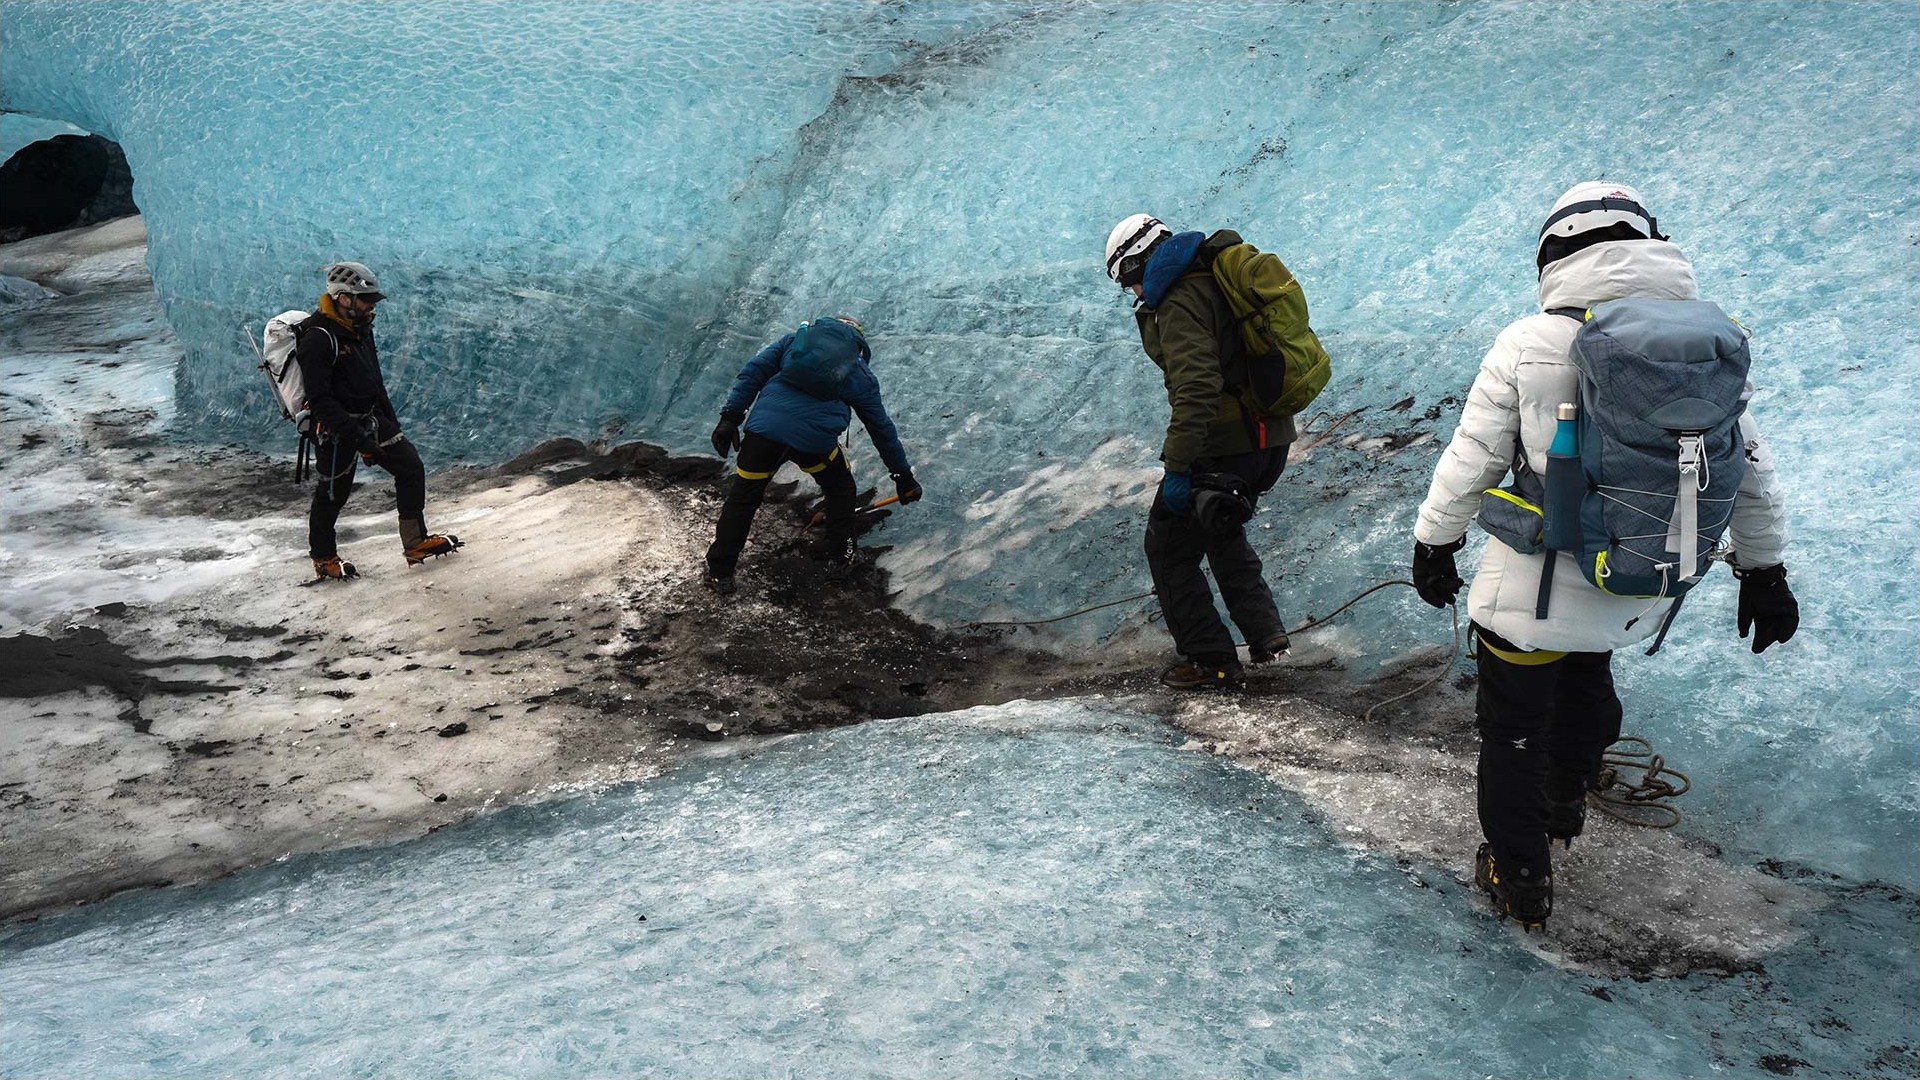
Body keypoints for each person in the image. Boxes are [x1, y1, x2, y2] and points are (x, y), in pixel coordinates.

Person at [1410, 182, 1799, 928]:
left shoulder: (1528, 342)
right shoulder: (1709, 344)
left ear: (1555, 254)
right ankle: (1564, 801)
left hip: (1537, 589)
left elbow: (1473, 459)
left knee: (1513, 725)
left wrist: (1436, 541)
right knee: (1589, 674)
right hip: (1639, 579)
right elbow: (1747, 466)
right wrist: (1765, 572)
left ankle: (1520, 873)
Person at [1103, 214, 1294, 691]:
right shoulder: (1212, 279)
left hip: (1225, 444)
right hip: (1268, 436)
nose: (1136, 294)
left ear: (1142, 261)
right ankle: (1267, 636)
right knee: (1220, 528)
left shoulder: (1179, 299)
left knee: (1168, 549)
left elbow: (1197, 387)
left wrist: (1178, 466)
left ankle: (1211, 660)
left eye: (1132, 282)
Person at [704, 314, 920, 593]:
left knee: (743, 498)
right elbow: (881, 428)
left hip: (763, 434)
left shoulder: (795, 341)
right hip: (813, 442)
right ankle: (842, 559)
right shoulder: (858, 371)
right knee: (839, 485)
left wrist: (730, 418)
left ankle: (721, 574)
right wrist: (902, 476)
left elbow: (754, 371)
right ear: (857, 340)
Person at [298, 261, 460, 579]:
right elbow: (320, 401)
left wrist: (391, 425)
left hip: (372, 418)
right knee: (332, 494)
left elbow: (375, 381)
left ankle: (415, 542)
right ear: (344, 298)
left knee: (410, 466)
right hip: (337, 428)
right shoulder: (318, 338)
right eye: (367, 298)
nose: (373, 305)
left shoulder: (360, 328)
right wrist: (360, 440)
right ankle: (323, 558)